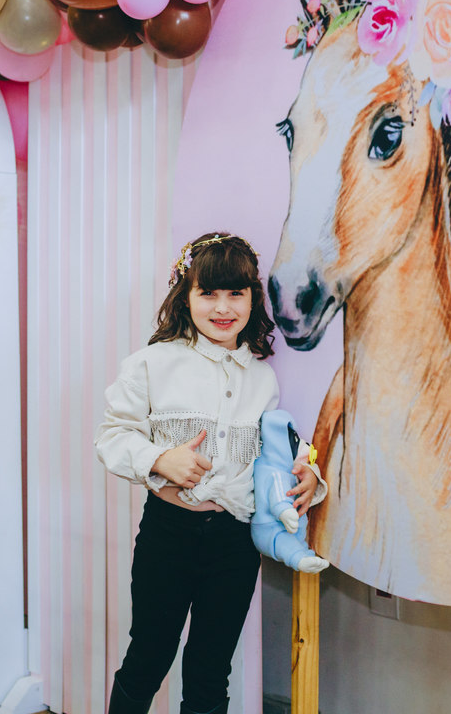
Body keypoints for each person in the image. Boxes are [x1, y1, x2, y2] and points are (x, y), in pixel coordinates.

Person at [96, 232, 326, 714]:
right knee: (149, 656)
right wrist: (160, 460)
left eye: (235, 293)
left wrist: (306, 475)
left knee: (210, 667)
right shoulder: (152, 363)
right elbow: (112, 437)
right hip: (168, 535)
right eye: (208, 292)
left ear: (252, 299)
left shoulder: (262, 378)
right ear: (186, 295)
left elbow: (274, 455)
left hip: (234, 543)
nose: (223, 307)